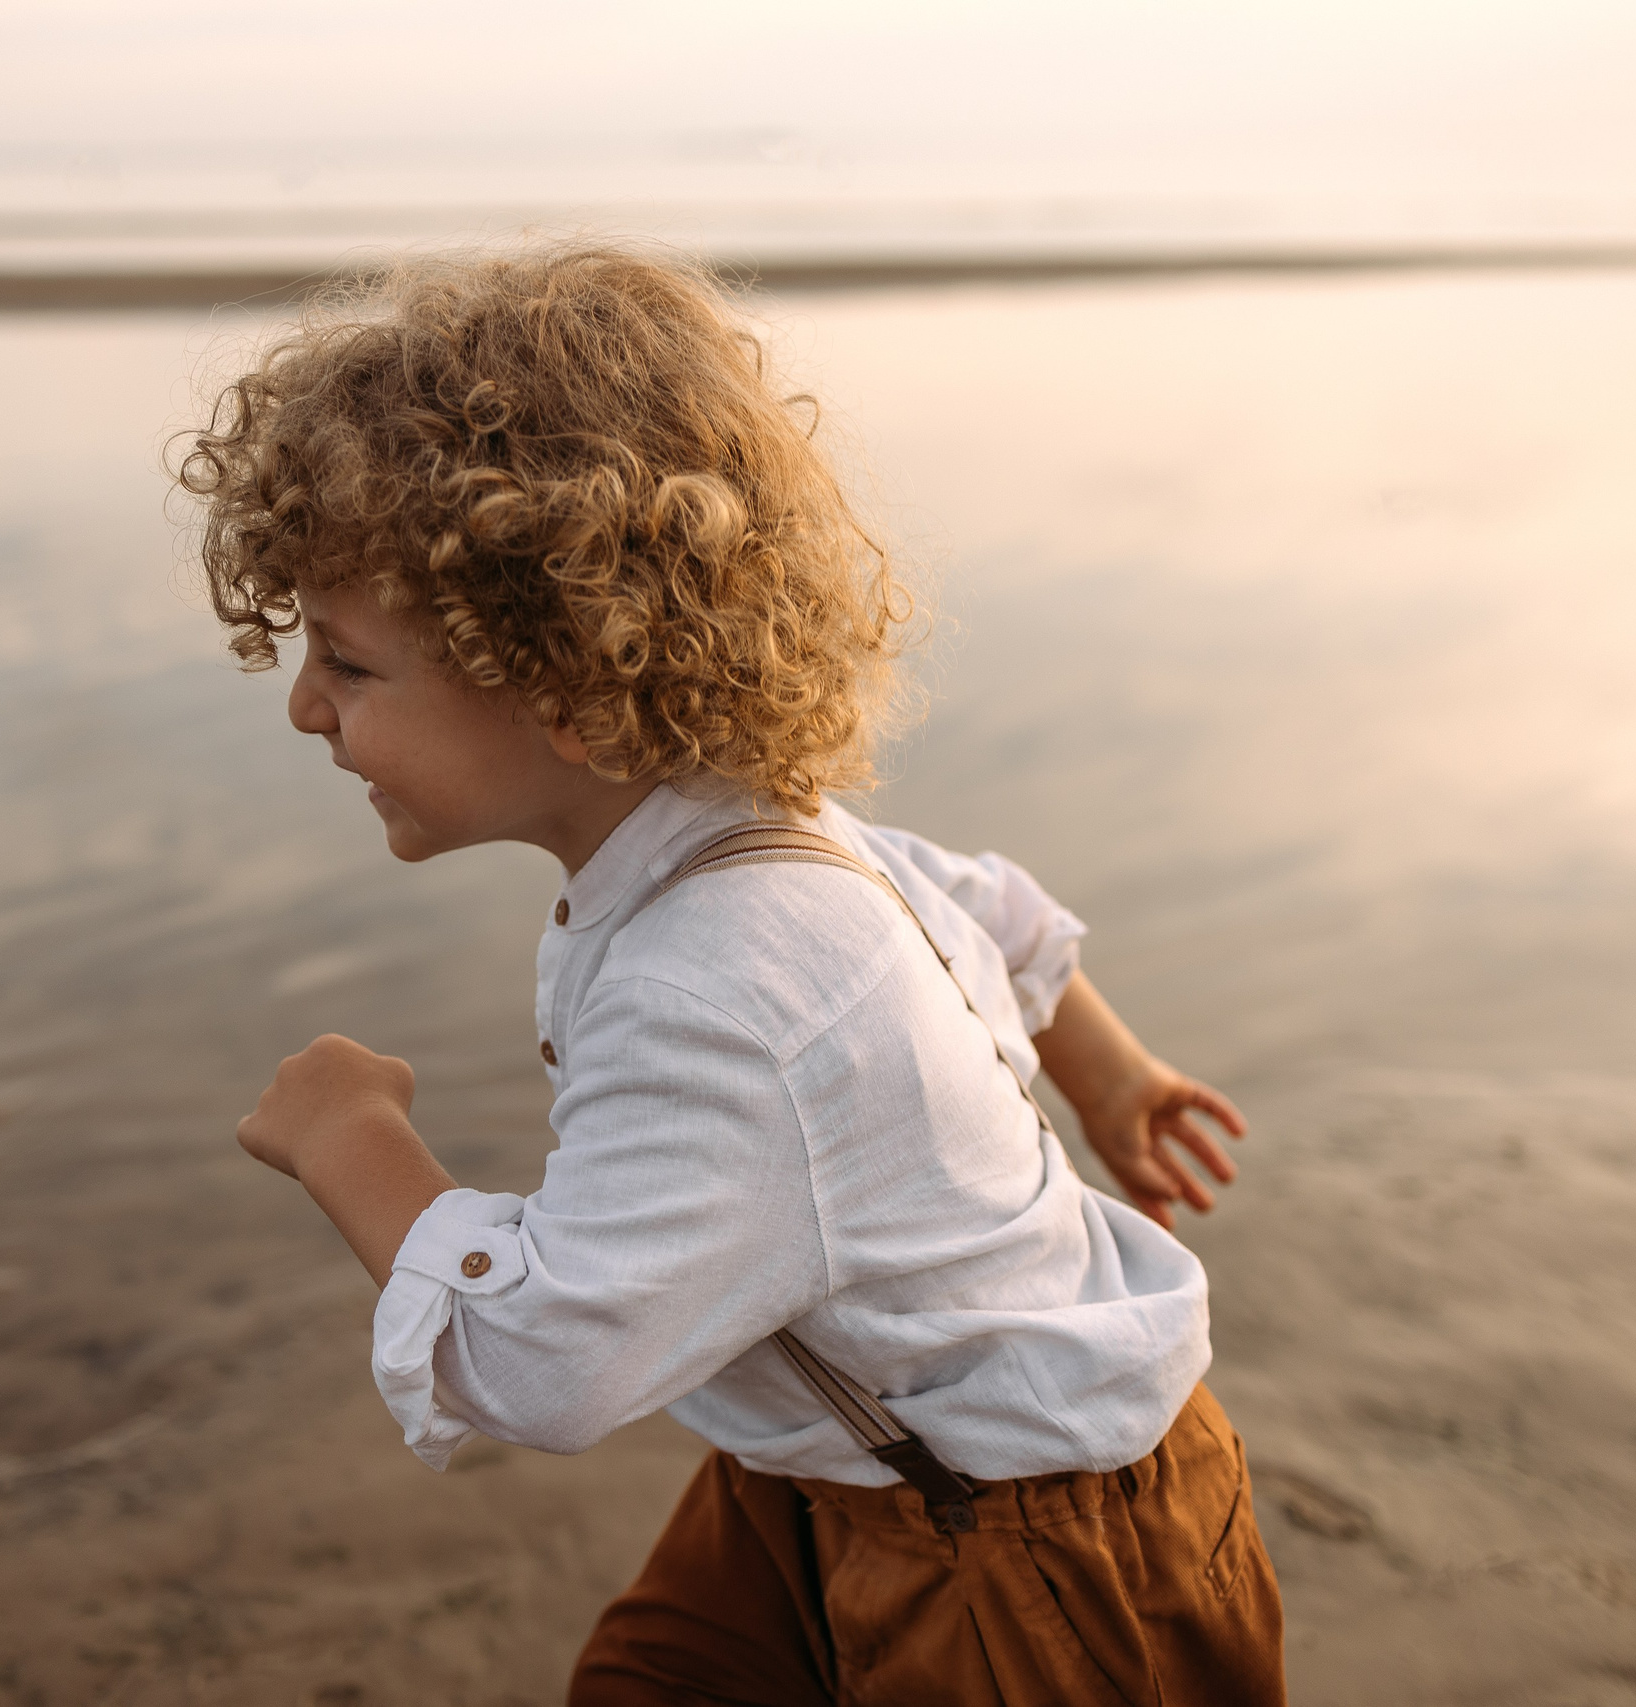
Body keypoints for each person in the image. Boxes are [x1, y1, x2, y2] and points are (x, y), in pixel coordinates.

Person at [180, 243, 1286, 1705]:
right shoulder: (762, 832)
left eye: (351, 666)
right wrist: (1112, 1075)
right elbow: (999, 917)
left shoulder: (719, 993)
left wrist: (354, 1140)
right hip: (845, 1447)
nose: (309, 710)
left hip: (1019, 1544)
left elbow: (548, 1362)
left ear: (566, 686)